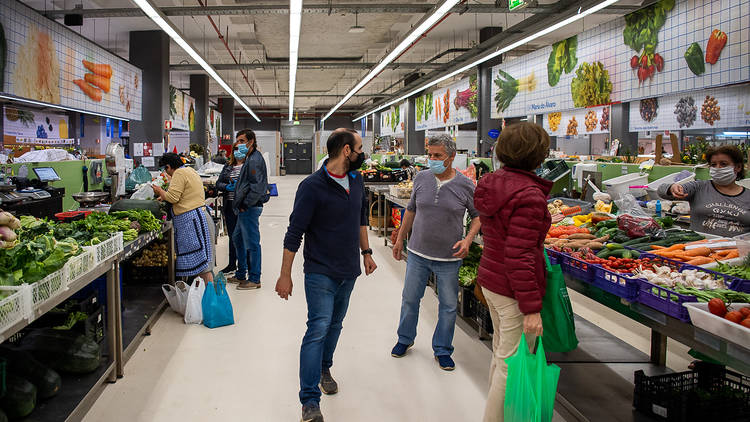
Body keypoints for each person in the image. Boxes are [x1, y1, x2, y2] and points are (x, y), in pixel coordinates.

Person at [276, 128, 377, 422]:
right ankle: (309, 401)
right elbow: (294, 233)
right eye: (359, 149)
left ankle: (324, 367)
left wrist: (367, 253)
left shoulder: (357, 180)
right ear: (347, 151)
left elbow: (360, 218)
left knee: (335, 325)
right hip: (320, 271)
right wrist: (285, 275)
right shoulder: (312, 186)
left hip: (350, 269)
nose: (362, 154)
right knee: (317, 328)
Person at [473, 122, 551, 422]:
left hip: (492, 279)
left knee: (501, 355)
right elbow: (519, 255)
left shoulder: (491, 183)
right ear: (537, 155)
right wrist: (531, 308)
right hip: (511, 289)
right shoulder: (529, 195)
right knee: (512, 364)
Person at [390, 134, 481, 371]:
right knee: (410, 299)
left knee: (449, 306)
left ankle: (442, 349)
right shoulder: (421, 178)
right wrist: (400, 239)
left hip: (448, 258)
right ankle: (404, 339)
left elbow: (478, 217)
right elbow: (410, 211)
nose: (432, 159)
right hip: (418, 253)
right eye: (430, 155)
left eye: (437, 156)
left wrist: (468, 240)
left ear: (451, 157)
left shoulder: (465, 185)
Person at [658, 145, 750, 236]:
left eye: (723, 164)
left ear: (738, 167)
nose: (718, 168)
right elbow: (661, 191)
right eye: (713, 165)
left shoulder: (747, 196)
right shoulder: (699, 187)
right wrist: (672, 188)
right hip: (699, 246)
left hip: (736, 249)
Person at [152, 153, 214, 283]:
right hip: (199, 217)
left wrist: (160, 191)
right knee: (204, 265)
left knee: (202, 267)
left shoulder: (179, 174)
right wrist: (164, 195)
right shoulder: (190, 170)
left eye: (165, 169)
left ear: (168, 167)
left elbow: (173, 198)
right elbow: (183, 194)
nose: (165, 172)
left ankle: (209, 299)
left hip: (191, 223)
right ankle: (204, 298)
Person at [232, 129, 269, 290]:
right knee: (237, 238)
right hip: (245, 207)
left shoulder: (254, 160)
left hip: (250, 208)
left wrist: (245, 204)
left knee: (252, 243)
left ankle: (254, 278)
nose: (238, 144)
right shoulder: (250, 158)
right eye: (237, 141)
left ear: (251, 141)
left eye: (241, 141)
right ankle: (241, 273)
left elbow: (257, 187)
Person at [215, 140, 247, 275]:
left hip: (244, 207)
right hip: (230, 206)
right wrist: (226, 187)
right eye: (235, 148)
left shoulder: (249, 165)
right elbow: (218, 183)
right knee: (233, 237)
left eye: (240, 148)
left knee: (245, 237)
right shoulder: (228, 166)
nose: (237, 151)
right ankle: (232, 264)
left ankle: (244, 266)